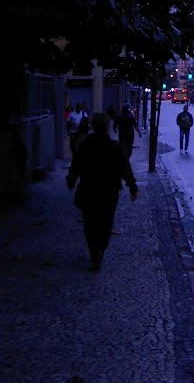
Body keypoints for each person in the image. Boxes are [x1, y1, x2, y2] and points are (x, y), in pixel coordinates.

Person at [66, 113, 138, 271]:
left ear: (92, 126)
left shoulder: (86, 146)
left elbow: (76, 165)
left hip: (89, 190)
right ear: (106, 127)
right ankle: (100, 249)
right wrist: (132, 186)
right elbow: (125, 168)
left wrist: (71, 180)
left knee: (90, 224)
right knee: (106, 222)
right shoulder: (114, 147)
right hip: (109, 192)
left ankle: (95, 254)